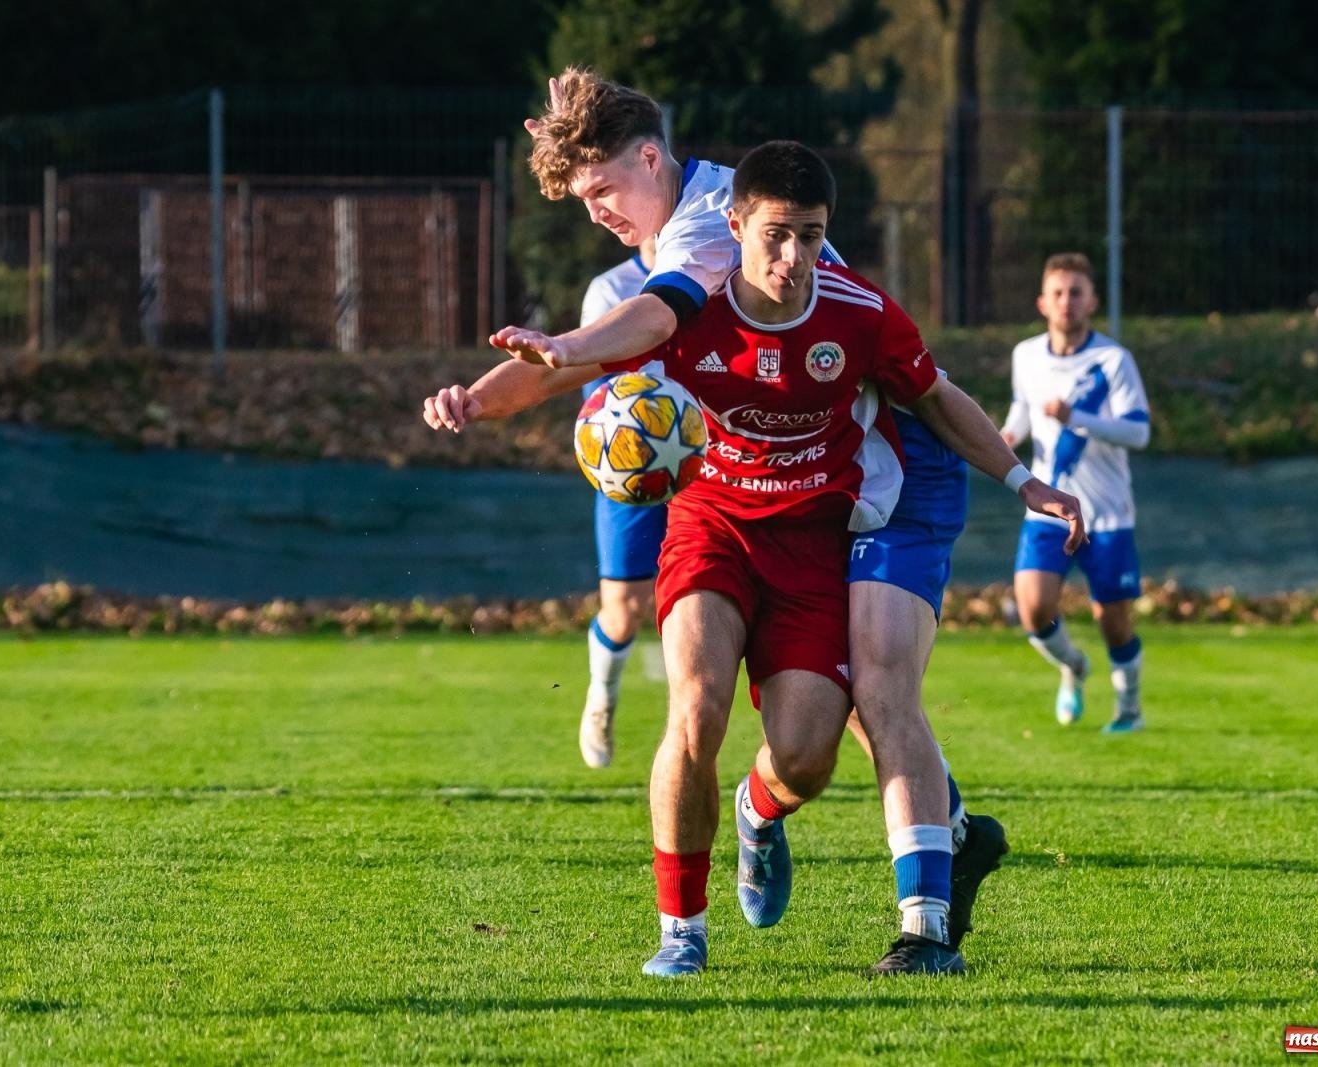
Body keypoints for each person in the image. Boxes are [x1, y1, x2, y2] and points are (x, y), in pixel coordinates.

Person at [427, 140, 1086, 976]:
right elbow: (564, 370)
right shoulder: (686, 312)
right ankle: (681, 933)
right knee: (696, 708)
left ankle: (756, 811)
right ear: (734, 225)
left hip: (813, 542)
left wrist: (1026, 481)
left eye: (811, 236)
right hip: (713, 526)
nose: (794, 257)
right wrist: (473, 400)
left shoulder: (860, 314)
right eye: (776, 235)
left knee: (808, 753)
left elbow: (937, 399)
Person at [1001, 252, 1151, 733]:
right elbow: (1023, 411)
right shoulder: (1025, 355)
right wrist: (1004, 437)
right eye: (1059, 293)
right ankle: (1074, 666)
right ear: (1043, 302)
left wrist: (1077, 418)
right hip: (1049, 507)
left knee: (1113, 619)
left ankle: (1128, 709)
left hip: (1107, 513)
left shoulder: (1112, 361)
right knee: (1034, 608)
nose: (1067, 302)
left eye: (1077, 293)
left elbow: (1138, 432)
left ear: (1093, 302)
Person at [577, 239, 662, 769]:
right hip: (636, 471)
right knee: (626, 610)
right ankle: (602, 697)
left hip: (711, 466)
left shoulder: (718, 275)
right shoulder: (611, 289)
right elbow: (597, 390)